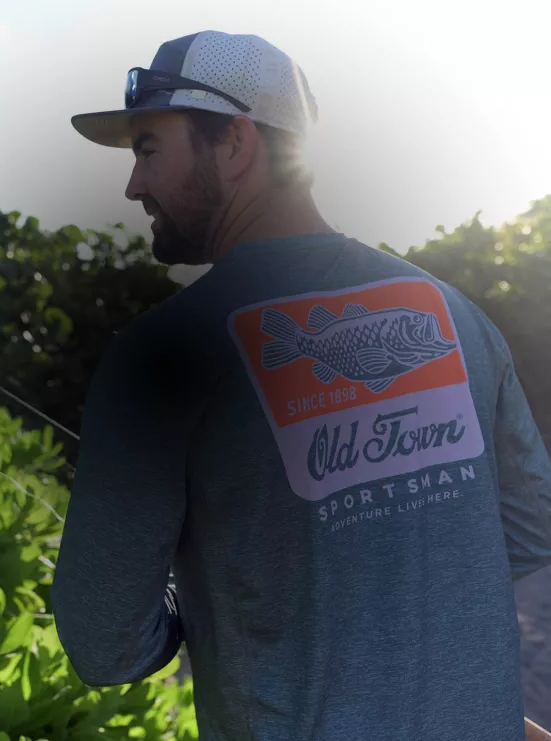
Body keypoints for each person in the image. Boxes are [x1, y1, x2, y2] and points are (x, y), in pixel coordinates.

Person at [50, 30, 551, 741]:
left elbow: (104, 643)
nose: (134, 184)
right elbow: (527, 534)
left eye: (148, 148)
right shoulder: (456, 314)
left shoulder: (158, 355)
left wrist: (214, 601)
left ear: (235, 141)